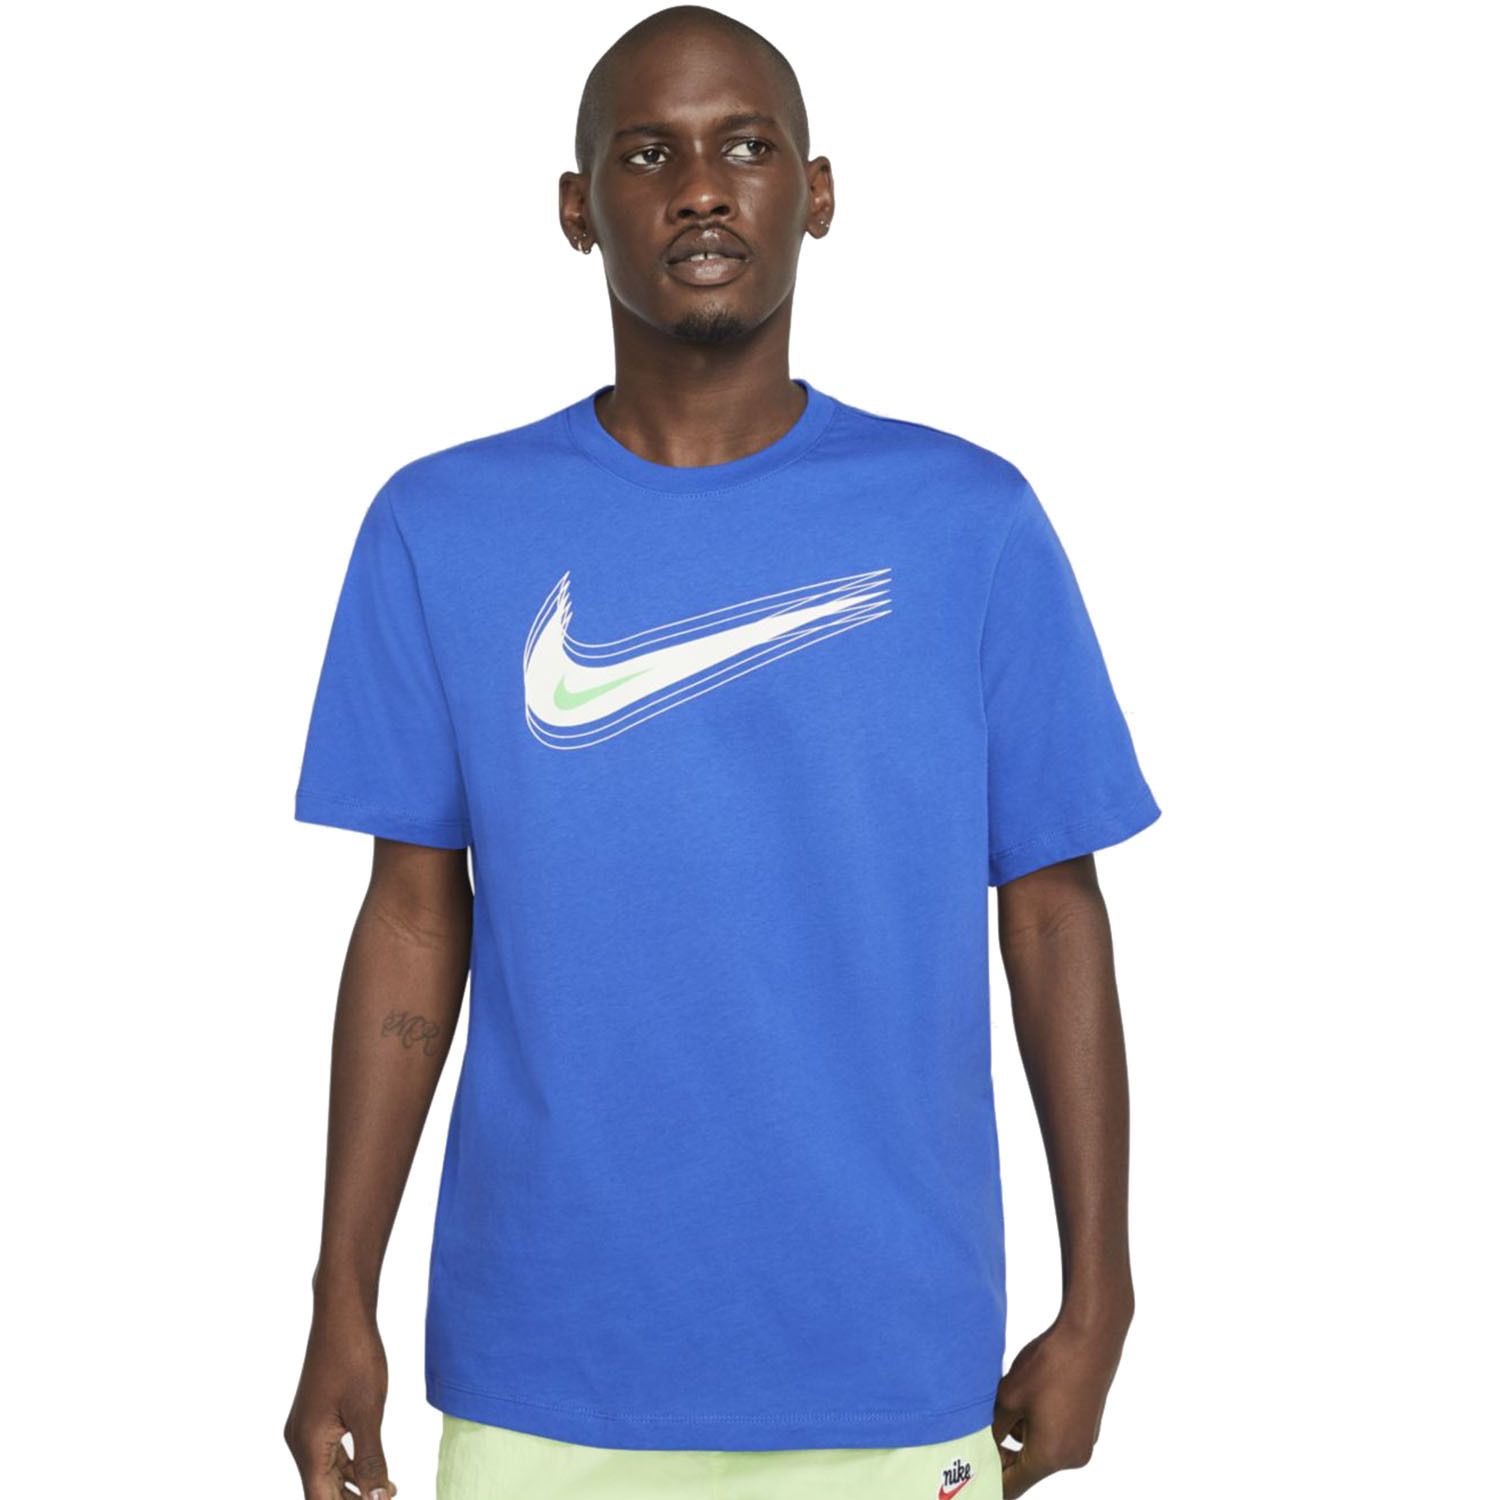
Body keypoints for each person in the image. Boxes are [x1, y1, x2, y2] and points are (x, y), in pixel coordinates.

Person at [282, 7, 1161, 1498]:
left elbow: (1054, 916)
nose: (701, 187)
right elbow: (415, 921)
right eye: (650, 154)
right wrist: (338, 1300)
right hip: (546, 1365)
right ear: (578, 209)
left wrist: (1103, 1299)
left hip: (890, 1358)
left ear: (815, 193)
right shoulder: (442, 528)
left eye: (745, 147)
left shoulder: (968, 523)